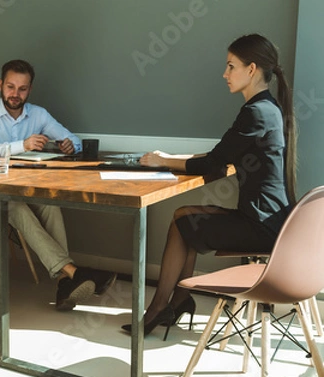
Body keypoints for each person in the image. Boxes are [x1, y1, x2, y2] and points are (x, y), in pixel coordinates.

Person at [122, 33, 297, 339]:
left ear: (251, 69)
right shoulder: (268, 108)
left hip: (261, 227)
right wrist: (172, 159)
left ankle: (162, 305)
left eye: (231, 66)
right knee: (185, 217)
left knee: (183, 222)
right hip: (273, 222)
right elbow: (222, 157)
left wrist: (164, 159)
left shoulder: (255, 112)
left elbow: (211, 162)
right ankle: (176, 300)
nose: (224, 74)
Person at [0, 59, 117, 311]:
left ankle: (65, 281)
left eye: (22, 89)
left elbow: (72, 138)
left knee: (50, 206)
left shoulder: (38, 114)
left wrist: (71, 145)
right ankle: (74, 272)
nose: (15, 94)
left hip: (26, 186)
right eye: (10, 87)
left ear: (30, 90)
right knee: (16, 208)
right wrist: (23, 145)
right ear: (0, 85)